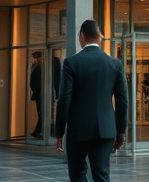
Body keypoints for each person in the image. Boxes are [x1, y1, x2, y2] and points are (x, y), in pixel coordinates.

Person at [54, 20, 129, 182]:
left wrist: (59, 132)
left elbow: (64, 99)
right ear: (99, 37)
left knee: (77, 174)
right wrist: (120, 131)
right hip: (106, 130)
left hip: (78, 129)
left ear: (81, 36)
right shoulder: (115, 64)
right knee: (102, 175)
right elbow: (123, 100)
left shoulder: (71, 63)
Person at [29, 51, 43, 139]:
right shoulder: (37, 68)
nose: (38, 59)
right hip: (40, 95)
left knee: (42, 114)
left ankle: (37, 131)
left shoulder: (37, 68)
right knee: (42, 114)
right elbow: (32, 83)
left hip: (40, 94)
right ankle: (37, 131)